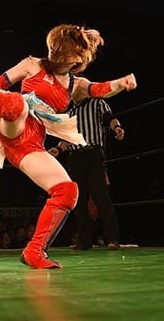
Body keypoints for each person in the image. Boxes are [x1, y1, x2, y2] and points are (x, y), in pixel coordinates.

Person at [0, 23, 137, 269]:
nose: (57, 55)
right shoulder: (31, 64)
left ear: (76, 58)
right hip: (13, 126)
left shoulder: (75, 85)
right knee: (18, 103)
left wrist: (121, 83)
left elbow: (99, 89)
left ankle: (35, 251)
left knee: (68, 190)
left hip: (31, 146)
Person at [48, 97, 124, 250]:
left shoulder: (97, 103)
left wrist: (117, 128)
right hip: (76, 158)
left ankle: (112, 239)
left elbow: (109, 118)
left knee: (100, 195)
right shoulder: (70, 112)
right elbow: (67, 138)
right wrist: (59, 149)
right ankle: (84, 241)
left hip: (94, 153)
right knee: (79, 199)